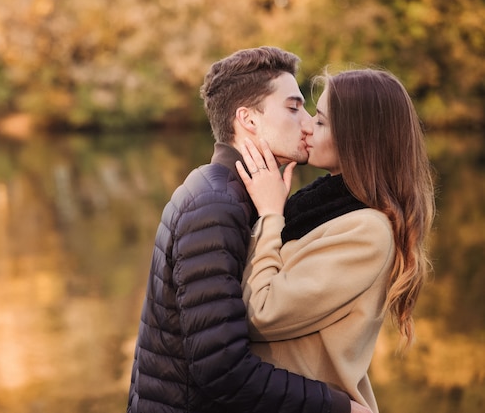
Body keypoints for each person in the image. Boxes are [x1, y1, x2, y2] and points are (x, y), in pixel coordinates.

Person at [127, 46, 370, 413]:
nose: (307, 123)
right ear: (249, 120)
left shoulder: (233, 194)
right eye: (293, 108)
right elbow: (220, 368)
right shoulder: (215, 205)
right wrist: (340, 407)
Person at [235, 68, 436, 413]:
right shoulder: (320, 207)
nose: (308, 126)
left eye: (323, 122)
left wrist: (270, 214)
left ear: (360, 141)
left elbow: (262, 313)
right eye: (314, 114)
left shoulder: (367, 232)